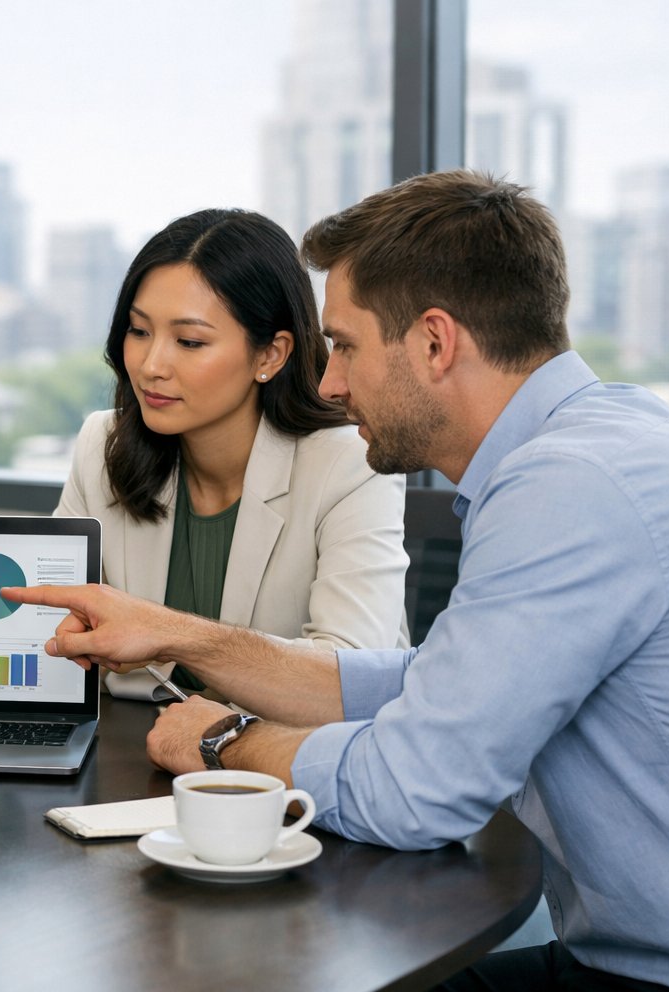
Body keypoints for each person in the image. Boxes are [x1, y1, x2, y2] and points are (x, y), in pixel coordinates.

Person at [6, 170, 669, 992]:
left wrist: (227, 743)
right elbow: (430, 682)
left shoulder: (566, 488)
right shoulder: (603, 439)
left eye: (347, 346)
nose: (328, 383)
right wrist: (187, 638)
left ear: (435, 343)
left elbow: (416, 791)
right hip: (610, 961)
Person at [56, 209, 407, 699]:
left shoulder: (347, 465)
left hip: (284, 764)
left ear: (270, 355)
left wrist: (171, 634)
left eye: (190, 341)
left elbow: (349, 675)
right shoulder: (102, 443)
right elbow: (51, 634)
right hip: (133, 755)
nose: (151, 365)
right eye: (138, 331)